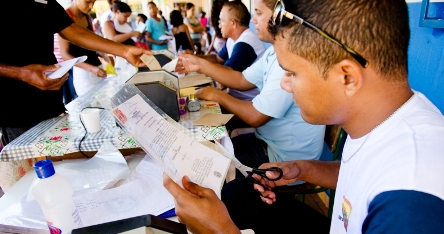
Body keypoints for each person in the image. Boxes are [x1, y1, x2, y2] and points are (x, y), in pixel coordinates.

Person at [164, 0, 444, 234]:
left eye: (293, 73)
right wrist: (303, 169)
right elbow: (364, 172)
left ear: (347, 77)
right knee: (238, 194)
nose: (285, 85)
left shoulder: (413, 202)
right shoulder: (385, 119)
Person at [176, 0, 323, 169]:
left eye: (259, 14)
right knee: (213, 149)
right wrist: (200, 64)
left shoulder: (289, 60)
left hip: (285, 158)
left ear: (280, 17)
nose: (253, 20)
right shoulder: (273, 52)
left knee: (212, 164)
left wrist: (217, 95)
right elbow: (240, 79)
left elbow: (255, 117)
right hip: (267, 141)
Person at [0, 0, 151, 146]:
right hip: (16, 111)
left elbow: (71, 30)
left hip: (51, 102)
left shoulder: (48, 3)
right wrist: (20, 73)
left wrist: (124, 51)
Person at [59, 0, 107, 97]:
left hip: (98, 68)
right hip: (83, 71)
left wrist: (103, 53)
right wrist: (91, 68)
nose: (91, 6)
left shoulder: (87, 16)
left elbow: (92, 43)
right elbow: (64, 55)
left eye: (93, 2)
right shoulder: (64, 17)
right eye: (88, 2)